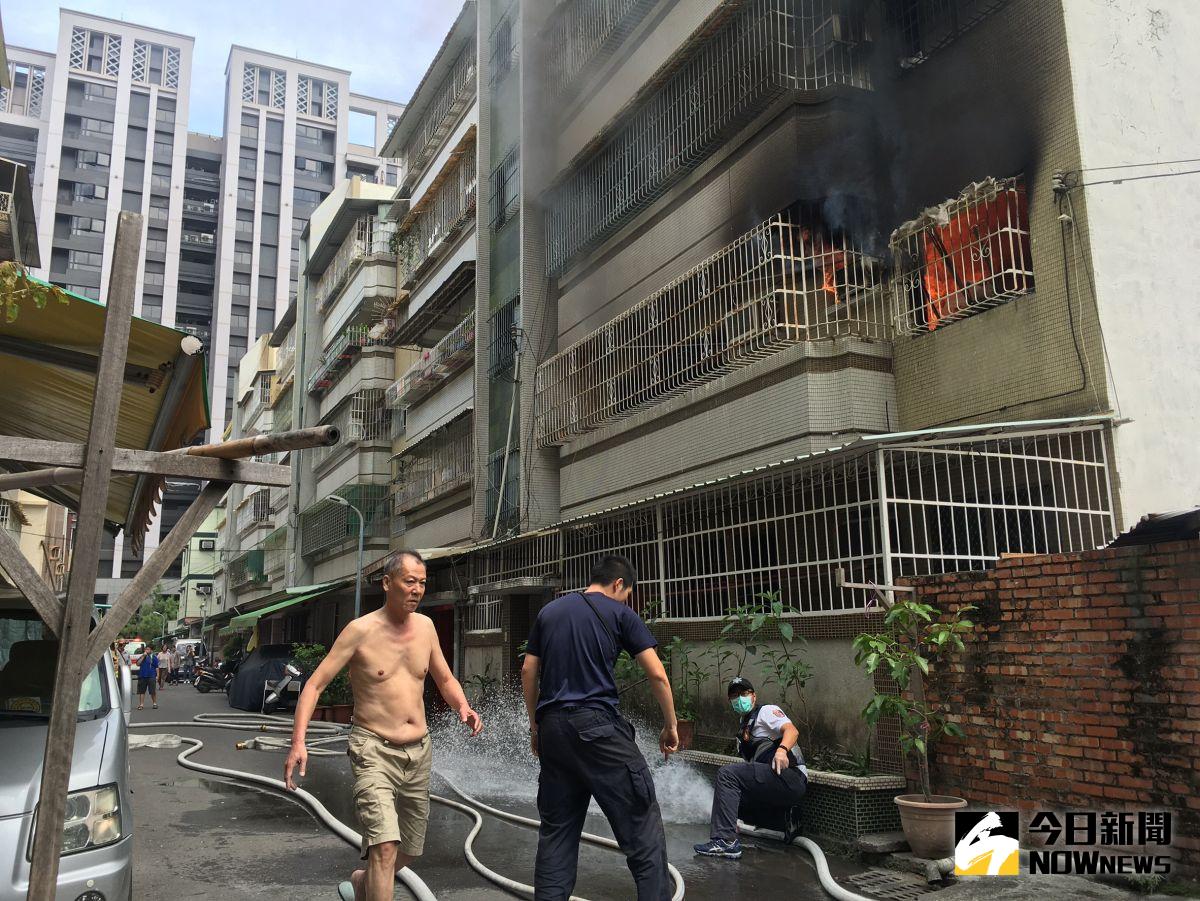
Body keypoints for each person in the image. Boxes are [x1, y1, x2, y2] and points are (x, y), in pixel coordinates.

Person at [284, 550, 482, 901]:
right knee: (385, 847)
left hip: (419, 752)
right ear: (387, 583)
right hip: (373, 748)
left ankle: (362, 883)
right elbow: (314, 685)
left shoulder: (426, 627)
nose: (417, 590)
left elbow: (445, 679)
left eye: (422, 582)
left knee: (409, 850)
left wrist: (462, 706)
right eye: (409, 581)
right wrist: (298, 742)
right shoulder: (360, 631)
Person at [521, 554, 679, 901]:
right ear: (619, 584)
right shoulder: (621, 613)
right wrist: (671, 726)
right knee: (643, 829)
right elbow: (657, 674)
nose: (625, 601)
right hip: (598, 729)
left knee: (557, 834)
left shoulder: (550, 612)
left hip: (553, 731)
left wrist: (536, 727)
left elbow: (529, 671)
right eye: (626, 594)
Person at [694, 677, 808, 859]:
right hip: (773, 783)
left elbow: (792, 731)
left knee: (727, 774)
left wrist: (782, 751)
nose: (740, 698)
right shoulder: (744, 728)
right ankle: (786, 818)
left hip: (790, 777)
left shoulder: (766, 711)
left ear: (753, 696)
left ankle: (725, 841)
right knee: (729, 805)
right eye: (734, 695)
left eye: (744, 694)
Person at [136, 646, 159, 710]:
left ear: (151, 650)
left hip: (151, 675)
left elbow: (157, 667)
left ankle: (154, 703)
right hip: (142, 675)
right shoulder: (142, 656)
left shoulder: (153, 657)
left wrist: (157, 676)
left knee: (152, 691)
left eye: (148, 649)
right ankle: (141, 704)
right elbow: (137, 664)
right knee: (142, 691)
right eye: (146, 649)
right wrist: (143, 656)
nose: (146, 650)